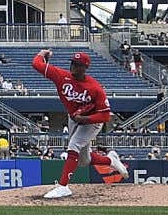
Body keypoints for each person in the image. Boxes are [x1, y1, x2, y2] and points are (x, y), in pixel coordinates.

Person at [32, 49, 127, 199]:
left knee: (73, 146)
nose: (73, 67)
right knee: (84, 160)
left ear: (85, 68)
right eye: (72, 63)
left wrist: (85, 119)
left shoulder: (95, 88)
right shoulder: (61, 76)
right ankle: (111, 160)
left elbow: (105, 115)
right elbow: (36, 64)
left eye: (77, 64)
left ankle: (63, 186)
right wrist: (42, 54)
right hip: (74, 118)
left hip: (92, 121)